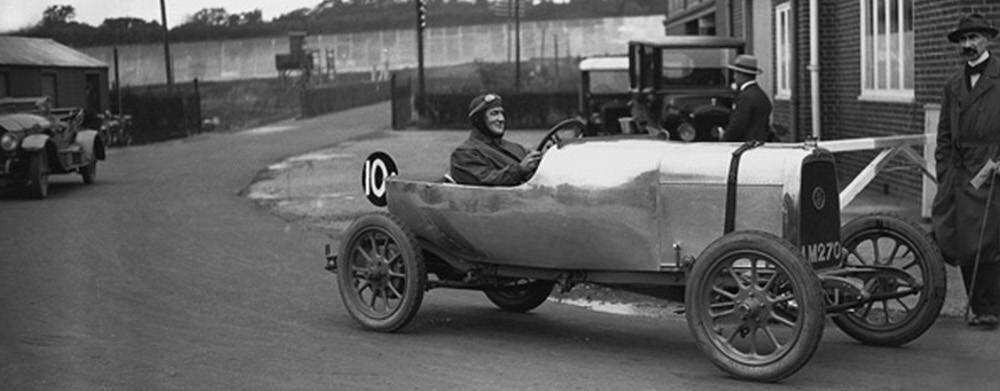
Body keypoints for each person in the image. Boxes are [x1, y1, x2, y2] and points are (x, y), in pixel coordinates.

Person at [932, 13, 1000, 330]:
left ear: (988, 39)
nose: (968, 45)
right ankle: (980, 306)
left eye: (973, 38)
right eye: (963, 40)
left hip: (992, 167)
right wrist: (944, 170)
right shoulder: (952, 85)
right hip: (960, 174)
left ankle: (990, 308)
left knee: (989, 240)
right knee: (961, 239)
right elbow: (944, 134)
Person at [449, 93, 542, 186]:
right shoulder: (465, 153)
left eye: (502, 113)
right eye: (494, 113)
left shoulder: (516, 148)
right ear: (479, 120)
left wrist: (547, 155)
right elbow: (486, 181)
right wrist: (520, 170)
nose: (501, 119)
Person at [721, 54, 773, 142]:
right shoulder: (761, 95)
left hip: (745, 146)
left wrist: (724, 140)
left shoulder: (745, 97)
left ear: (741, 74)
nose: (734, 77)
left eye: (735, 73)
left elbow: (737, 125)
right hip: (760, 144)